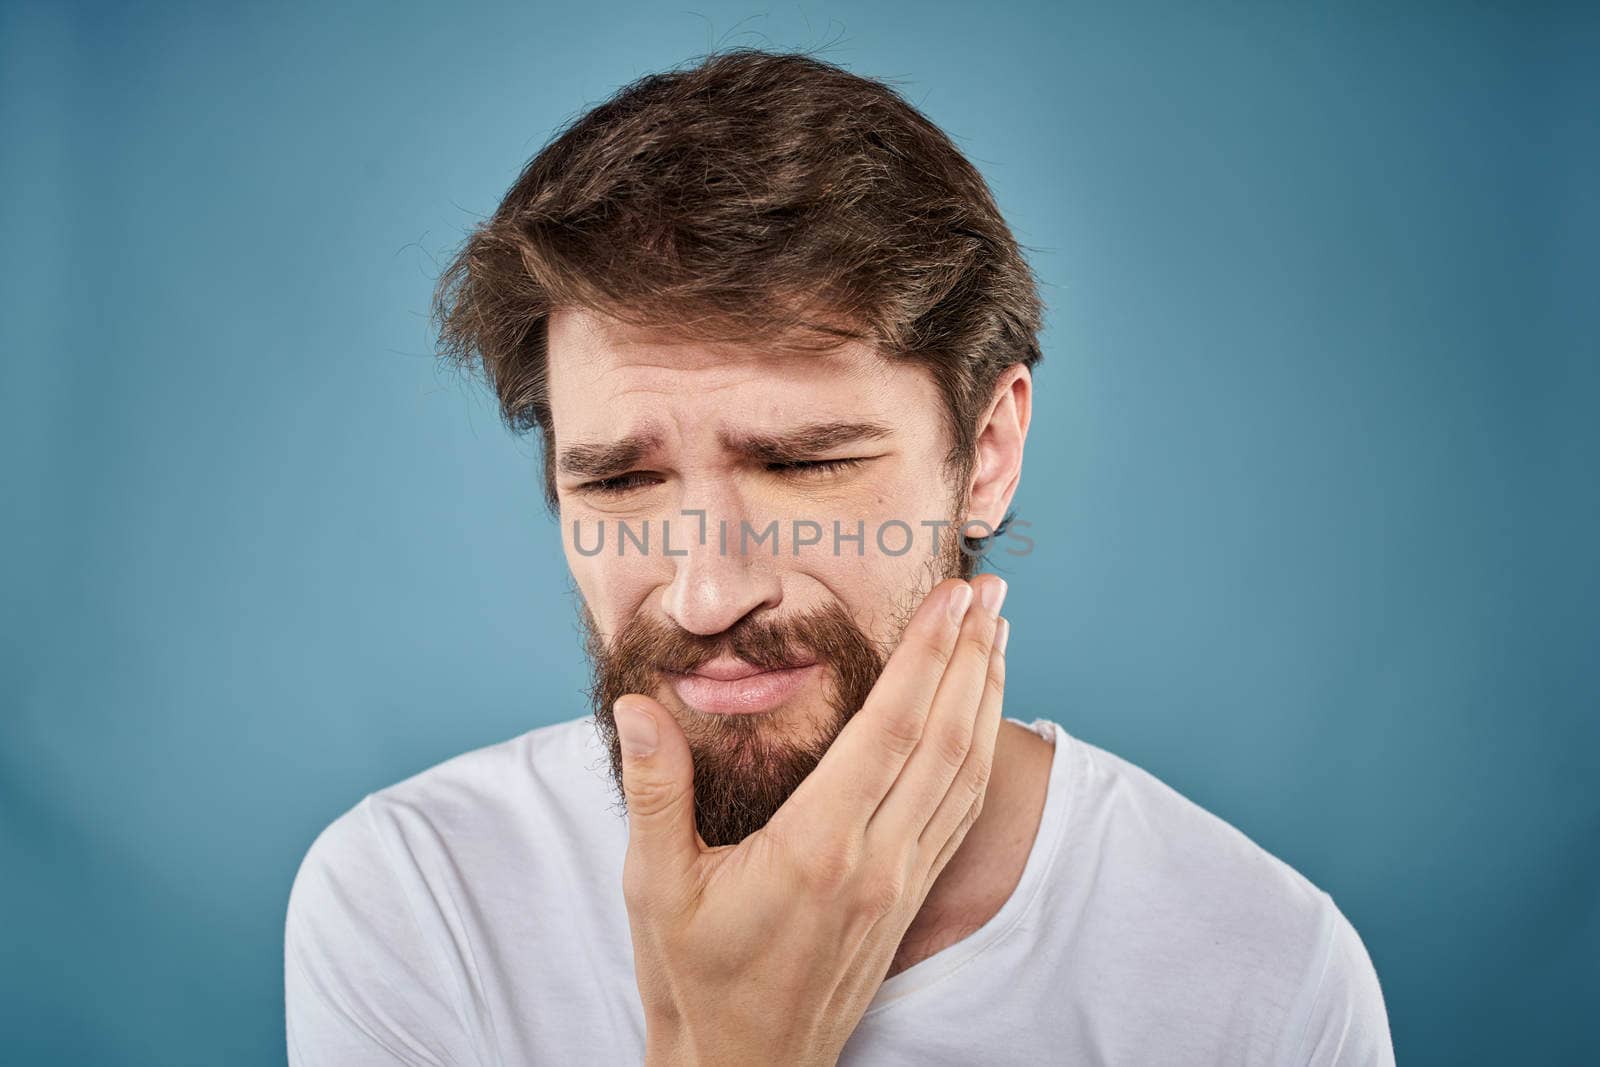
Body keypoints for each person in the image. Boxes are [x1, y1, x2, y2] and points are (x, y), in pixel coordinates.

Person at [284, 48, 1394, 1065]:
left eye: (805, 463)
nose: (707, 591)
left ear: (986, 453)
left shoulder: (1264, 977)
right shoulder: (419, 897)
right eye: (620, 481)